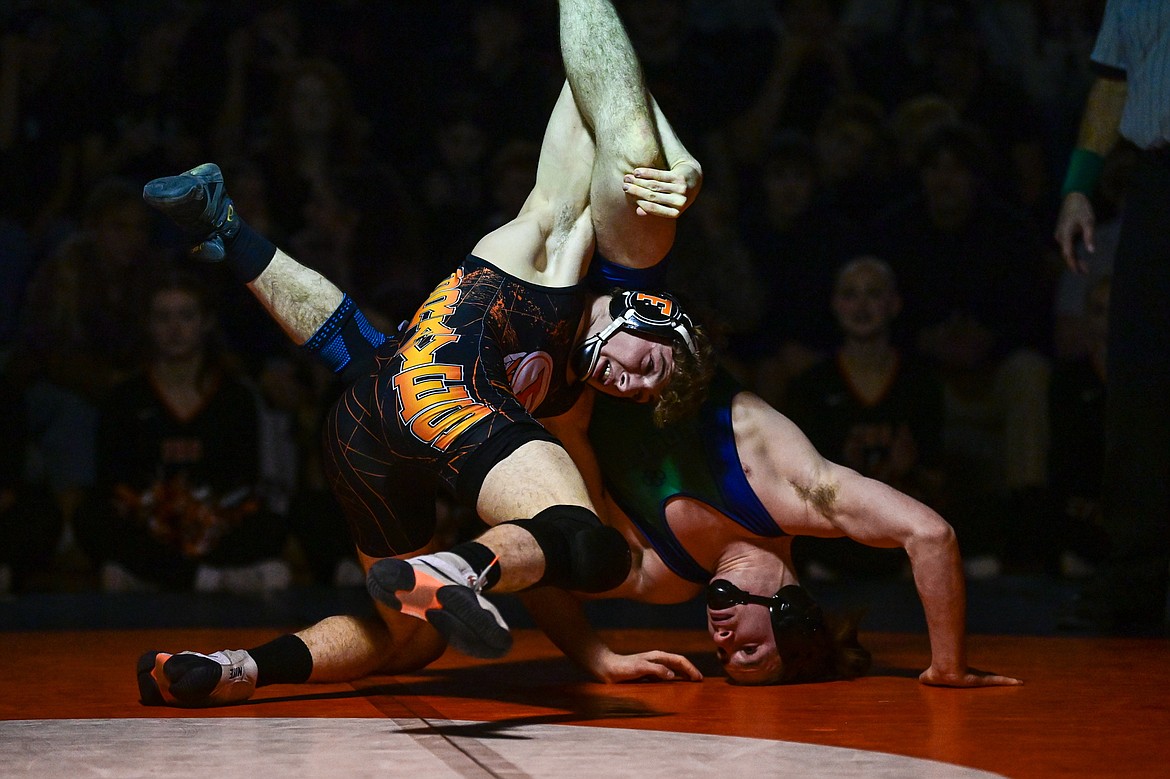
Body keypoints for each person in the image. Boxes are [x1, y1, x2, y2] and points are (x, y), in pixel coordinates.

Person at [137, 0, 709, 705]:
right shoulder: (552, 247)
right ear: (645, 310)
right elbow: (595, 83)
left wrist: (596, 657)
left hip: (364, 418)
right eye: (647, 365)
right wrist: (679, 161)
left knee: (416, 633)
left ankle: (231, 668)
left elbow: (546, 550)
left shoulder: (567, 406)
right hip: (425, 405)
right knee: (587, 543)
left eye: (637, 395)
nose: (626, 382)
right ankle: (459, 569)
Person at [1052, 0, 1170, 635]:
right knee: (1142, 383)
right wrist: (1079, 185)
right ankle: (1133, 581)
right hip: (1160, 182)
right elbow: (1112, 80)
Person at [73, 268, 290, 593]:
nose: (174, 329)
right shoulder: (125, 398)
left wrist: (200, 515)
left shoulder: (236, 397)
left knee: (270, 523)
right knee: (92, 519)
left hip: (215, 523)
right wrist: (159, 511)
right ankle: (210, 578)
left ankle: (153, 575)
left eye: (186, 316)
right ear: (148, 325)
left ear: (206, 322)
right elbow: (111, 483)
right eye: (163, 318)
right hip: (147, 524)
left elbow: (246, 482)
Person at [783, 255, 946, 579]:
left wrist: (910, 469)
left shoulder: (922, 381)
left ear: (894, 304)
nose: (861, 306)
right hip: (834, 539)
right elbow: (798, 484)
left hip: (903, 529)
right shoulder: (811, 385)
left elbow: (936, 474)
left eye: (873, 294)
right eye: (850, 294)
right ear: (835, 304)